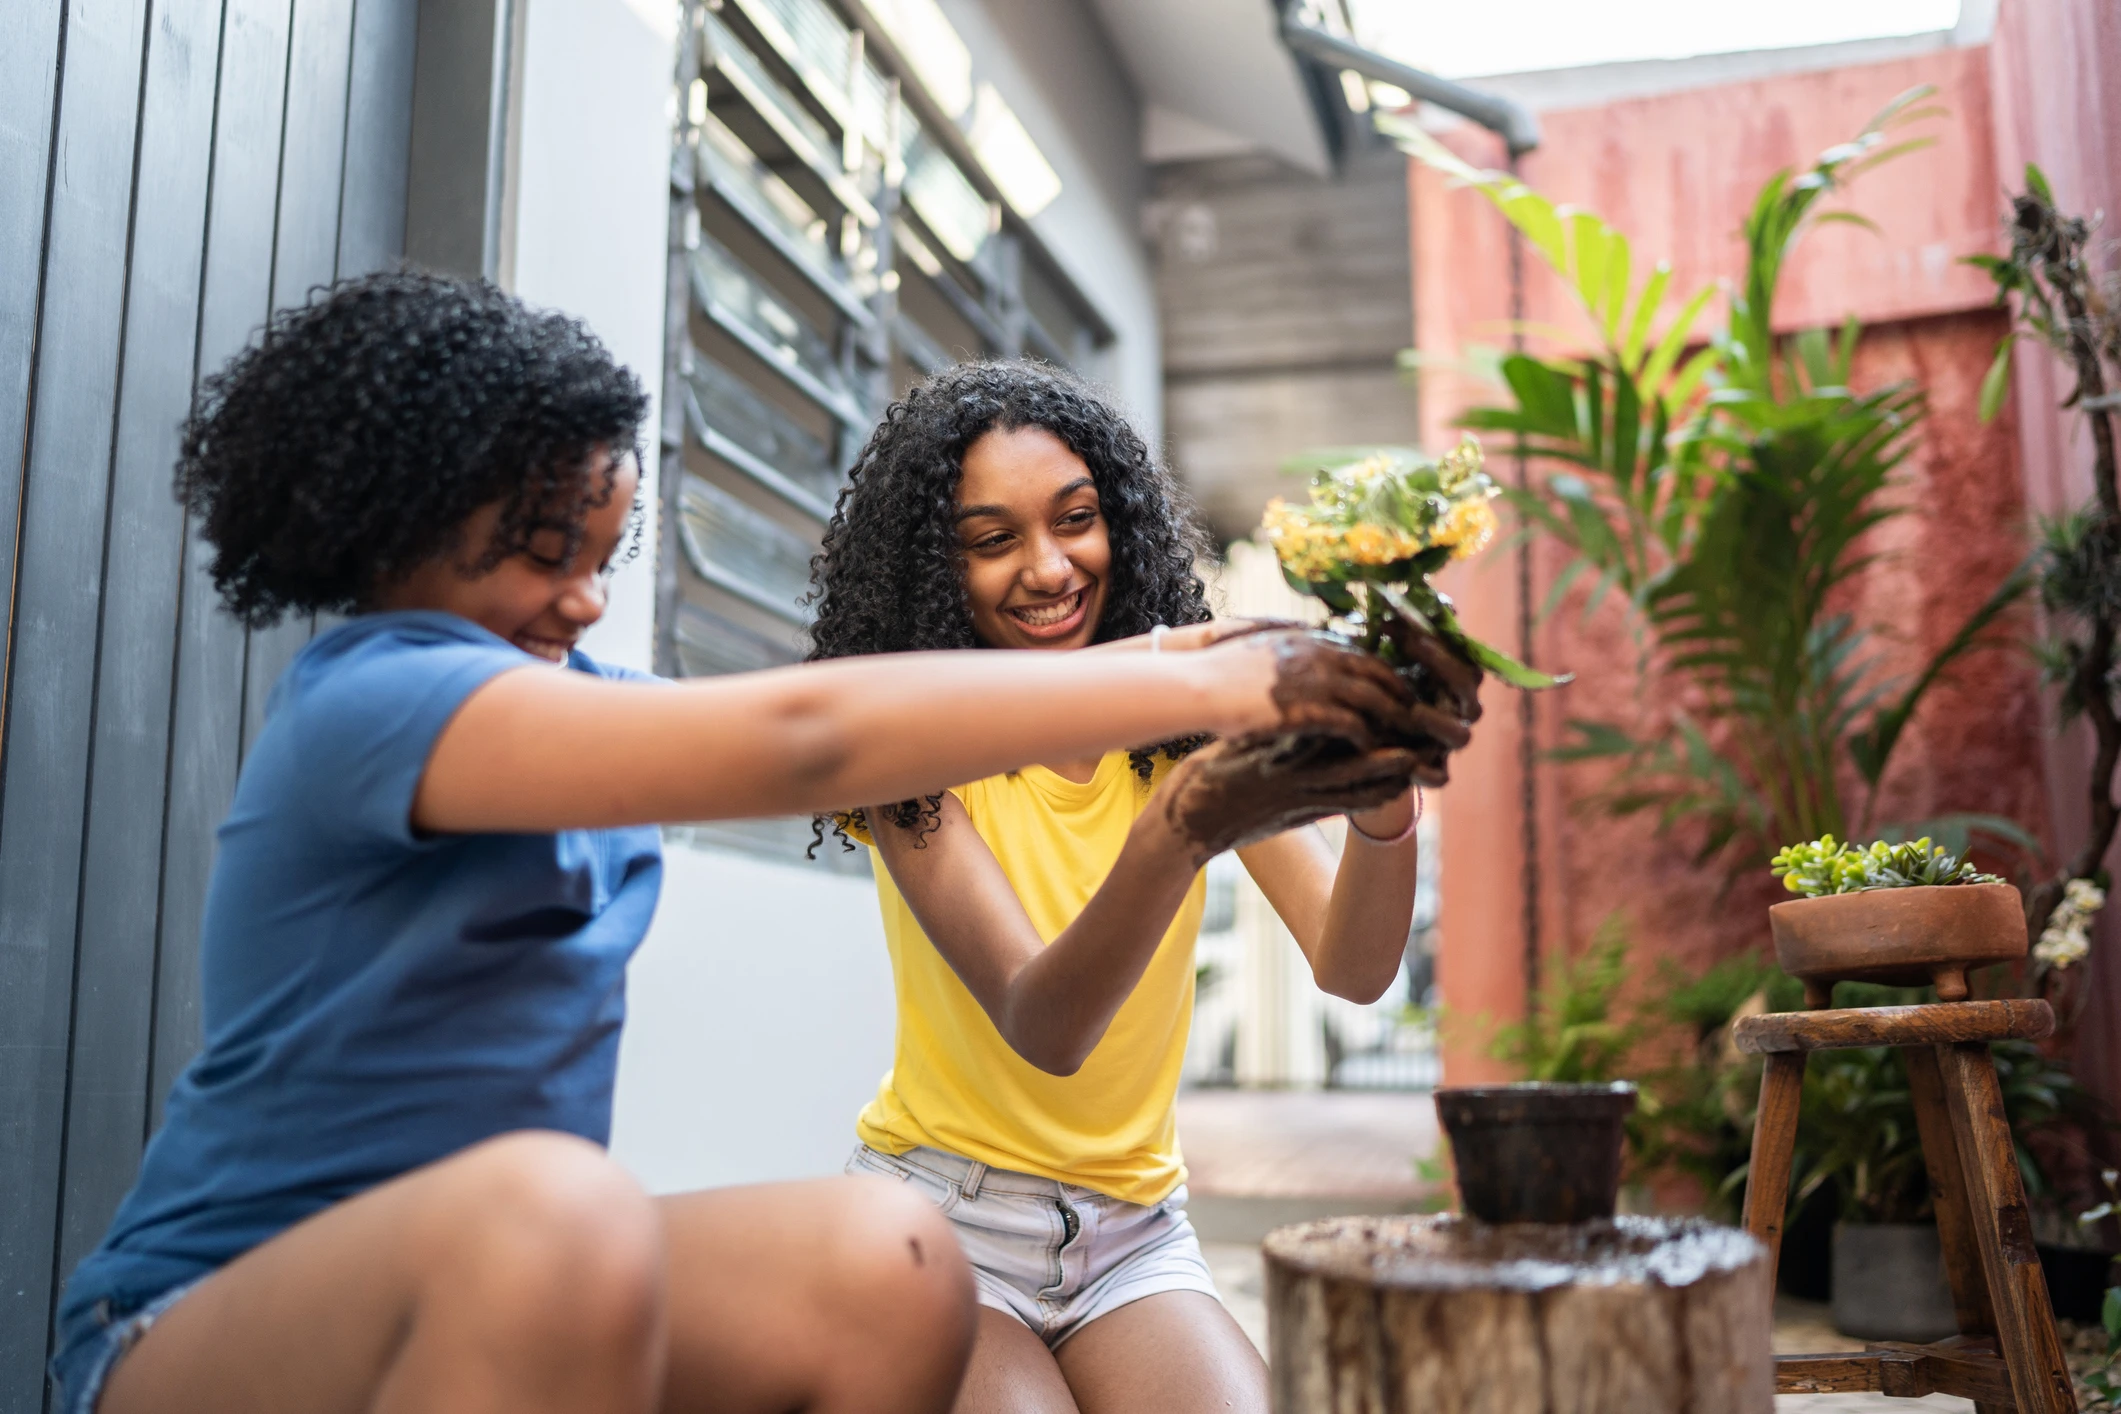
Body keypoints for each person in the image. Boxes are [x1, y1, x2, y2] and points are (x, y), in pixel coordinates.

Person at [52, 274, 1431, 1414]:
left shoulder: (584, 710)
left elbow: (858, 720)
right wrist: (1211, 674)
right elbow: (808, 737)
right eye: (543, 551)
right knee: (563, 1207)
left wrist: (1335, 754)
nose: (585, 599)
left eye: (607, 549)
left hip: (529, 1267)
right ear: (395, 516)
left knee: (882, 1259)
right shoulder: (377, 701)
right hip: (208, 1319)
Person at [805, 360, 1484, 1414]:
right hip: (945, 1227)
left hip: (1131, 1233)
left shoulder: (1178, 732)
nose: (1048, 567)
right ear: (934, 571)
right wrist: (1179, 831)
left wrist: (1382, 806)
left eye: (1076, 519)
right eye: (994, 540)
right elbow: (1046, 1024)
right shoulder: (918, 752)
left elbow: (1352, 966)